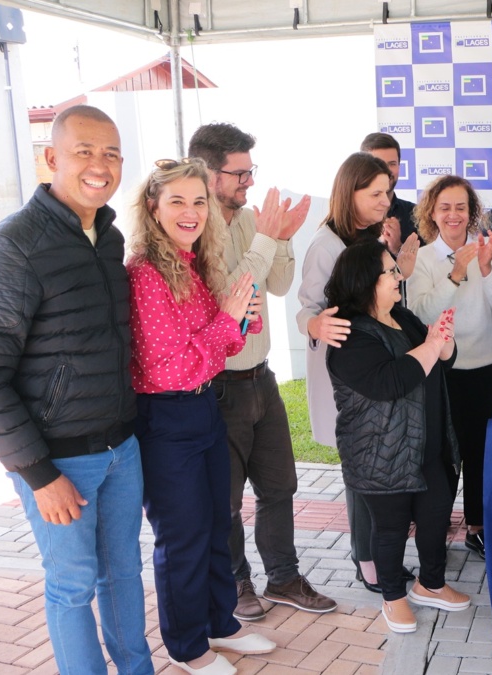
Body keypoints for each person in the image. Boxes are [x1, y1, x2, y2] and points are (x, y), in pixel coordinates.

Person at [0, 105, 154, 675]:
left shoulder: (107, 237)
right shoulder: (14, 245)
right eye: (84, 151)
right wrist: (39, 475)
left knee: (125, 573)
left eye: (110, 153)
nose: (99, 165)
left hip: (120, 448)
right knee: (72, 585)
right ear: (52, 158)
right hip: (58, 460)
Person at [128, 158, 275, 675]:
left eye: (198, 201)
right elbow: (170, 365)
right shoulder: (146, 273)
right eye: (177, 201)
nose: (191, 212)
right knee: (183, 536)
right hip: (167, 419)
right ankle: (187, 646)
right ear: (153, 207)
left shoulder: (191, 261)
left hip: (204, 407)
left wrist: (236, 320)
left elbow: (218, 345)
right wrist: (227, 323)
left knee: (217, 521)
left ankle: (219, 623)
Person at [187, 123, 335, 621]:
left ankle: (284, 578)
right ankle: (237, 582)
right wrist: (267, 238)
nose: (249, 181)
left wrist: (283, 240)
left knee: (280, 486)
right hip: (218, 385)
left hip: (261, 377)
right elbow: (229, 296)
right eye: (240, 173)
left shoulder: (253, 220)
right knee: (226, 500)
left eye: (252, 171)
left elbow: (278, 283)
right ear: (208, 173)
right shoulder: (190, 230)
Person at [326, 239, 470, 634]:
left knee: (435, 516)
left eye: (394, 270)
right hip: (380, 453)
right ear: (363, 282)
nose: (396, 277)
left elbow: (442, 359)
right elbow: (393, 381)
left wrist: (444, 340)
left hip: (427, 446)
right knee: (389, 531)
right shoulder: (350, 335)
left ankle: (432, 584)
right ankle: (393, 597)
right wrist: (432, 345)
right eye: (389, 272)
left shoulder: (402, 317)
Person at [296, 152, 420, 592]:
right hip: (347, 375)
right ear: (350, 193)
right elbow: (306, 309)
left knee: (378, 463)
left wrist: (399, 270)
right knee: (361, 469)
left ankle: (377, 554)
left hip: (375, 372)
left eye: (388, 192)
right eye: (376, 194)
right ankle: (366, 559)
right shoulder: (324, 244)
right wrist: (313, 324)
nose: (387, 201)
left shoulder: (371, 236)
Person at [408, 175, 492, 560]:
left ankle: (478, 528)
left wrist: (485, 269)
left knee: (483, 453)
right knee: (444, 454)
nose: (453, 215)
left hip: (487, 366)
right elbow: (420, 315)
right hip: (442, 371)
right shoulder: (423, 259)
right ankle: (436, 526)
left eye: (461, 207)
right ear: (432, 211)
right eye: (445, 207)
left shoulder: (491, 249)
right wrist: (455, 276)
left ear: (472, 212)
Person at [361, 132, 419, 254]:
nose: (386, 170)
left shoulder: (417, 215)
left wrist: (398, 248)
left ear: (399, 166)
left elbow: (425, 269)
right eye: (379, 163)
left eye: (392, 164)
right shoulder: (350, 217)